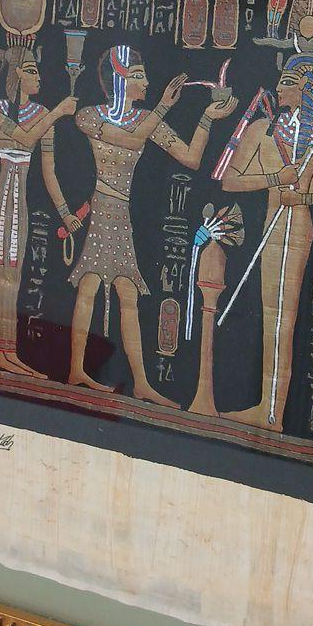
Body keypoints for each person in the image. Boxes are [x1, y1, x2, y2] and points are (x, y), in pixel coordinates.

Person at [67, 45, 237, 404]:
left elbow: (191, 158)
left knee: (127, 292)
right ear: (119, 81)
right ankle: (76, 370)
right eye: (138, 76)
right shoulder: (89, 115)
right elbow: (129, 139)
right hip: (103, 207)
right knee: (89, 284)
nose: (146, 83)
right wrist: (163, 106)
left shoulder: (147, 120)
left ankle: (141, 383)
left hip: (121, 213)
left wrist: (206, 118)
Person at [220, 52, 313, 431]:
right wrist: (276, 178)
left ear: (306, 88)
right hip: (270, 223)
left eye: (286, 82)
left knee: (285, 317)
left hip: (298, 225)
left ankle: (274, 413)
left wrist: (306, 197)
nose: (277, 88)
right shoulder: (263, 129)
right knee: (270, 315)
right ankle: (266, 407)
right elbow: (231, 179)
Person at [0, 46, 78, 376]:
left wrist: (65, 212)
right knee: (4, 273)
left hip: (20, 197)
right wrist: (57, 112)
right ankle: (0, 352)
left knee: (15, 274)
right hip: (4, 194)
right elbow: (24, 139)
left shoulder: (41, 113)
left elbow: (49, 171)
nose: (38, 77)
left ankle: (8, 352)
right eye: (31, 71)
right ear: (16, 75)